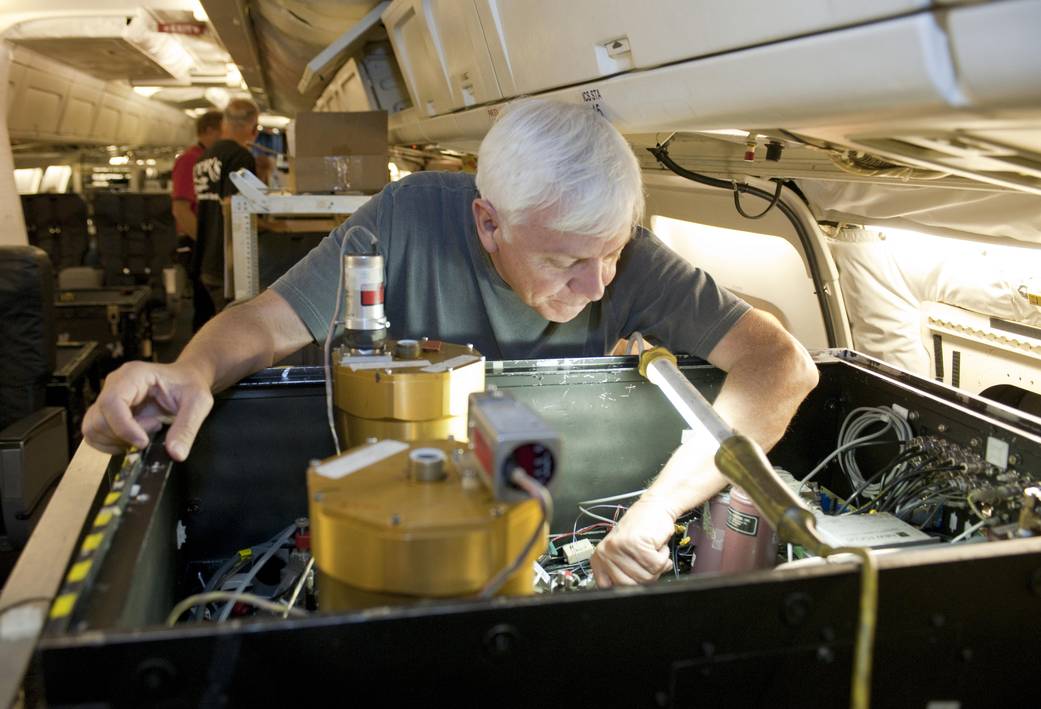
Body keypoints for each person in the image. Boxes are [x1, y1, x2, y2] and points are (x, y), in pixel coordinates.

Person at [82, 98, 818, 588]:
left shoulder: (622, 256)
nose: (598, 286)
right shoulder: (406, 218)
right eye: (565, 262)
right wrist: (192, 367)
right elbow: (269, 320)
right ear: (487, 222)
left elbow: (779, 364)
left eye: (614, 254)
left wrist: (657, 510)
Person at [191, 98, 259, 328]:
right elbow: (237, 209)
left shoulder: (204, 157)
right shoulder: (241, 157)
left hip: (207, 258)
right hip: (229, 262)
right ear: (253, 127)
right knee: (235, 330)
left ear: (224, 124)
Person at [171, 110, 223, 330]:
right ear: (209, 131)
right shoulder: (189, 160)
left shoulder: (209, 159)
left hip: (206, 244)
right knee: (204, 310)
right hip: (198, 245)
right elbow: (181, 210)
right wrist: (206, 245)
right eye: (223, 131)